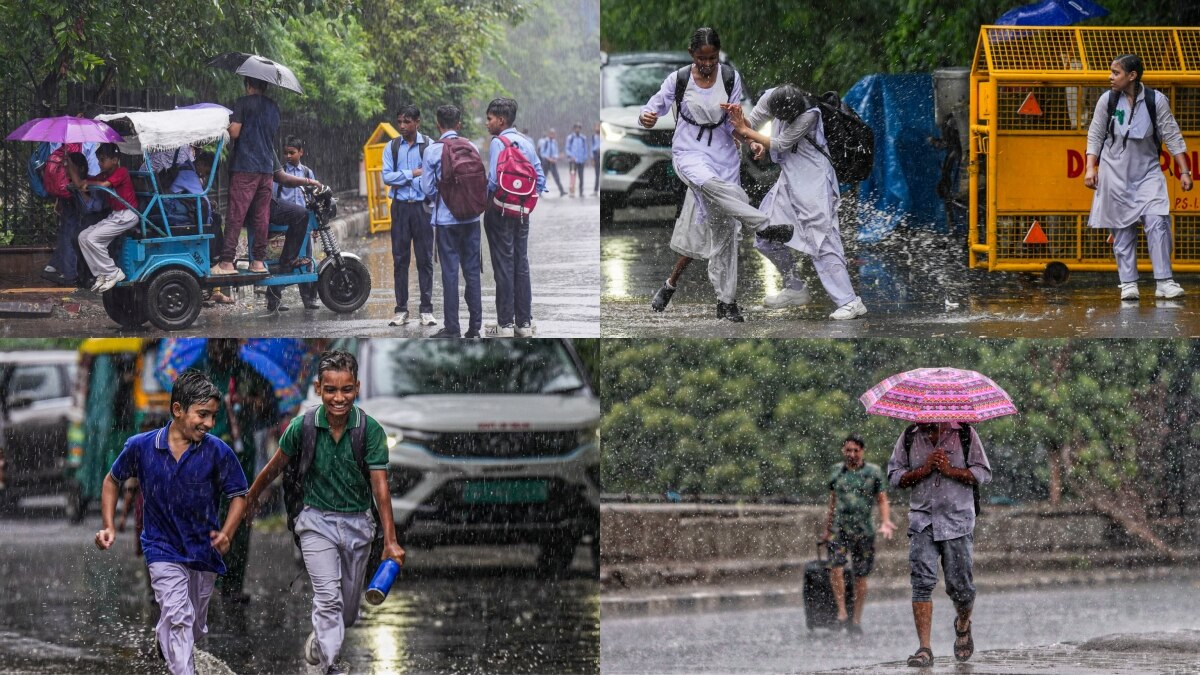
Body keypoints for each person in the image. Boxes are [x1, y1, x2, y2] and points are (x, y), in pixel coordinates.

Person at [244, 350, 405, 675]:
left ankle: (320, 643)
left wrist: (391, 540)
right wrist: (249, 501)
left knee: (347, 612)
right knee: (328, 599)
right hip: (315, 522)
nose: (338, 398)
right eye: (330, 390)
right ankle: (330, 665)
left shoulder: (369, 430)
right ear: (319, 389)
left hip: (359, 525)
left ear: (356, 388)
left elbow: (381, 489)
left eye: (346, 390)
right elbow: (272, 469)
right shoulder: (301, 427)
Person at [94, 370, 248, 675]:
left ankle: (164, 635)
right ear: (177, 410)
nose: (208, 423)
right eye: (202, 414)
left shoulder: (217, 451)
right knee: (180, 618)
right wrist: (109, 525)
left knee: (194, 628)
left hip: (204, 550)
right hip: (161, 548)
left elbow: (239, 495)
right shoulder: (141, 446)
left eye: (213, 416)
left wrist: (228, 533)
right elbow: (112, 480)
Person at [640, 27, 790, 322]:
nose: (707, 64)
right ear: (691, 55)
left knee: (725, 235)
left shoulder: (730, 77)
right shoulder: (679, 79)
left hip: (724, 157)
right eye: (701, 58)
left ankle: (727, 302)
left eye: (712, 58)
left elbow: (735, 122)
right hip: (689, 153)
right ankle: (761, 223)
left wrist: (751, 141)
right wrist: (646, 116)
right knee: (712, 185)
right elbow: (653, 108)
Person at [727, 85, 869, 319]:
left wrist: (747, 131)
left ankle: (850, 301)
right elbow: (749, 125)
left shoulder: (810, 113)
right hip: (789, 178)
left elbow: (781, 143)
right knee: (766, 234)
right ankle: (795, 288)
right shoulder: (769, 97)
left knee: (821, 240)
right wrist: (752, 138)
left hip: (814, 180)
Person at [1084, 53, 1192, 301]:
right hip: (1114, 173)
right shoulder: (1107, 100)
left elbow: (1173, 136)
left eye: (1116, 73)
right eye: (1111, 72)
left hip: (1147, 172)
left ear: (1132, 76)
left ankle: (1164, 281)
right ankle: (1128, 283)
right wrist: (1091, 167)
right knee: (1122, 230)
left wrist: (1184, 171)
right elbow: (1095, 134)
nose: (1110, 77)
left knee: (1158, 221)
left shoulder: (1156, 100)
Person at [887, 422, 992, 667]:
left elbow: (983, 473)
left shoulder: (965, 434)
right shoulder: (909, 437)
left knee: (961, 588)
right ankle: (924, 648)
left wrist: (950, 470)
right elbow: (894, 476)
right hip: (922, 521)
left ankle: (963, 625)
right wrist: (923, 470)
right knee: (921, 583)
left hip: (957, 521)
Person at [199, 339, 278, 604]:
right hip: (204, 460)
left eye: (227, 345)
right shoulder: (199, 373)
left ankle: (232, 583)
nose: (221, 351)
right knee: (204, 519)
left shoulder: (247, 372)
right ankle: (204, 581)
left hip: (239, 459)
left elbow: (269, 405)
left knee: (239, 520)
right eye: (217, 345)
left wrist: (249, 402)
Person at [195, 151, 322, 310]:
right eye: (286, 151)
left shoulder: (242, 150)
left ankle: (292, 289)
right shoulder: (265, 148)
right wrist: (310, 181)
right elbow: (282, 179)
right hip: (265, 206)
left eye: (291, 152)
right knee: (301, 215)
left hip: (248, 209)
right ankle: (287, 262)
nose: (288, 155)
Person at [420, 104, 484, 338]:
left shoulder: (432, 151)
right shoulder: (471, 146)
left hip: (446, 221)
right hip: (471, 219)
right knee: (472, 273)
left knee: (450, 274)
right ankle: (475, 327)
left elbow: (427, 188)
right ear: (458, 124)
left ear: (438, 124)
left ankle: (453, 327)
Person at [485, 97, 546, 338]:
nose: (487, 123)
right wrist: (526, 202)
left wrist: (489, 202)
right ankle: (523, 322)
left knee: (504, 265)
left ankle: (505, 324)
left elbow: (492, 180)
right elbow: (540, 178)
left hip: (500, 211)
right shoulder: (526, 142)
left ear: (501, 120)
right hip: (522, 213)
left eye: (489, 119)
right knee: (522, 265)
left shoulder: (498, 142)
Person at [821, 435, 894, 633]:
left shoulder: (873, 472)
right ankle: (842, 612)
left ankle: (856, 619)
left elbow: (882, 499)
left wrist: (885, 521)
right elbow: (833, 500)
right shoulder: (836, 472)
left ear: (862, 451)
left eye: (856, 450)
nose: (852, 454)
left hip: (864, 531)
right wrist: (827, 528)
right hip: (839, 529)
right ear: (843, 451)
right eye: (848, 450)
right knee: (835, 567)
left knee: (861, 575)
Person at [213, 77, 280, 277]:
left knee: (236, 214)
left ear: (249, 86)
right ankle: (258, 261)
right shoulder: (274, 108)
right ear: (265, 86)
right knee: (262, 216)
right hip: (266, 169)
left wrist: (222, 128)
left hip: (245, 166)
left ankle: (226, 262)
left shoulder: (243, 103)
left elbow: (234, 132)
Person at [381, 105, 437, 328]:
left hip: (423, 208)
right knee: (400, 260)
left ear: (417, 122)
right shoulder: (392, 147)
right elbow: (387, 177)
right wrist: (413, 173)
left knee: (425, 260)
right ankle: (401, 309)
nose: (402, 126)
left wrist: (404, 178)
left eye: (407, 122)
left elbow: (433, 176)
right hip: (401, 207)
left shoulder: (430, 146)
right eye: (400, 122)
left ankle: (426, 309)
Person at [78, 142, 139, 293]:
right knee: (83, 236)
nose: (99, 163)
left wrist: (88, 183)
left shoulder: (121, 171)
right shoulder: (105, 173)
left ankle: (113, 272)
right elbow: (93, 179)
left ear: (115, 159)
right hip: (116, 215)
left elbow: (103, 184)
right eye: (98, 160)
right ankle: (101, 274)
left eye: (102, 159)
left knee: (93, 239)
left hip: (127, 215)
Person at [275, 135, 317, 208]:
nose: (288, 156)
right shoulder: (280, 173)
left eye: (291, 153)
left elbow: (312, 195)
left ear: (301, 152)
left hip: (304, 215)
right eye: (285, 153)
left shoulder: (307, 172)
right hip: (285, 215)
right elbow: (274, 195)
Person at [538, 129, 567, 197]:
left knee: (556, 177)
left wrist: (556, 157)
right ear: (549, 134)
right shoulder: (545, 142)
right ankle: (539, 192)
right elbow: (542, 153)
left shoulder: (554, 142)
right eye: (552, 134)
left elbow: (555, 152)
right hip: (546, 161)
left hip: (552, 161)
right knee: (543, 177)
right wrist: (548, 158)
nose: (553, 135)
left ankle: (561, 191)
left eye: (554, 134)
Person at [565, 122, 589, 198]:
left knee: (581, 177)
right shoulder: (570, 138)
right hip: (573, 161)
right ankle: (572, 192)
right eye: (576, 128)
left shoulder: (583, 138)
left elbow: (585, 149)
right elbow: (567, 148)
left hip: (581, 160)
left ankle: (581, 192)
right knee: (572, 176)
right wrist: (571, 156)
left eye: (579, 128)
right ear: (574, 129)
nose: (577, 129)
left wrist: (585, 158)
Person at [592, 122, 601, 196]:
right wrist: (592, 159)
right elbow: (592, 147)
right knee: (597, 174)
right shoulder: (593, 136)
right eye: (596, 127)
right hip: (596, 154)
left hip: (602, 153)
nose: (597, 128)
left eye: (598, 127)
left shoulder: (604, 135)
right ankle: (595, 190)